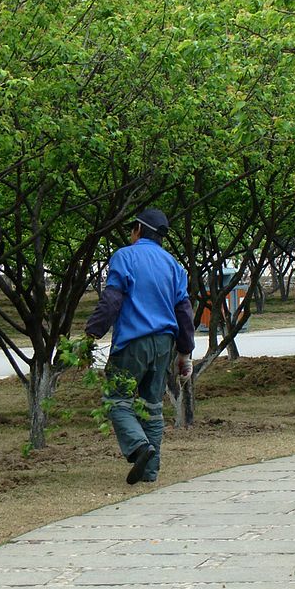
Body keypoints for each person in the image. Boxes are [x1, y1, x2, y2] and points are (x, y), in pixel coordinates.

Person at [85, 208, 194, 485]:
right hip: (164, 344)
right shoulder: (173, 265)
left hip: (133, 342)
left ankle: (139, 446)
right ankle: (150, 471)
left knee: (117, 399)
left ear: (137, 230)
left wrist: (91, 334)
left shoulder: (125, 256)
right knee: (152, 406)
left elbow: (112, 299)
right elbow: (183, 310)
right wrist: (185, 353)